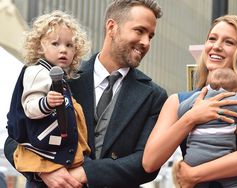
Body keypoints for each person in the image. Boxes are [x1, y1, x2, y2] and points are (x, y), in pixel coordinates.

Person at [4, 0, 167, 188]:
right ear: (112, 27)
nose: (146, 42)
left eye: (151, 36)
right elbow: (14, 138)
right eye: (139, 31)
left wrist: (87, 173)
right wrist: (44, 170)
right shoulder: (56, 76)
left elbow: (146, 162)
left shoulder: (154, 96)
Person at [143, 15, 237, 188]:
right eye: (212, 39)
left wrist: (194, 174)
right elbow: (150, 161)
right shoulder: (177, 101)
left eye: (229, 42)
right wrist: (192, 118)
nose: (216, 46)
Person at [5, 10, 91, 187]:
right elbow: (29, 106)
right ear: (39, 47)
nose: (63, 50)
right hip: (44, 150)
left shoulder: (57, 75)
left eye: (69, 45)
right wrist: (46, 103)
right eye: (55, 43)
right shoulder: (37, 72)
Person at [172, 67, 237, 188]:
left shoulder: (199, 97)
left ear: (208, 85)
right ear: (236, 90)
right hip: (222, 160)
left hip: (194, 160)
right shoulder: (235, 99)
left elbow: (180, 111)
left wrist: (193, 110)